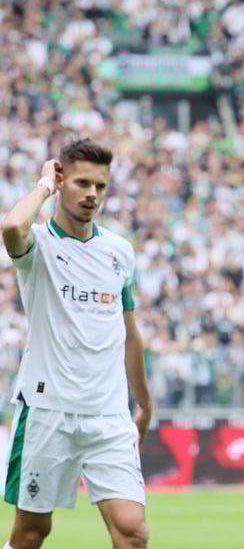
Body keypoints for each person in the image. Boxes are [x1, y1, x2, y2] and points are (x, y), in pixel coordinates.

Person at [1, 139, 152, 549]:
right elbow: (11, 227)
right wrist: (43, 185)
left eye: (100, 186)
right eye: (82, 183)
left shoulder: (119, 252)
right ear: (61, 181)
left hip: (108, 415)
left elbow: (129, 333)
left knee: (133, 532)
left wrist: (144, 402)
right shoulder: (37, 244)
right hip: (48, 411)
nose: (92, 195)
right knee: (31, 534)